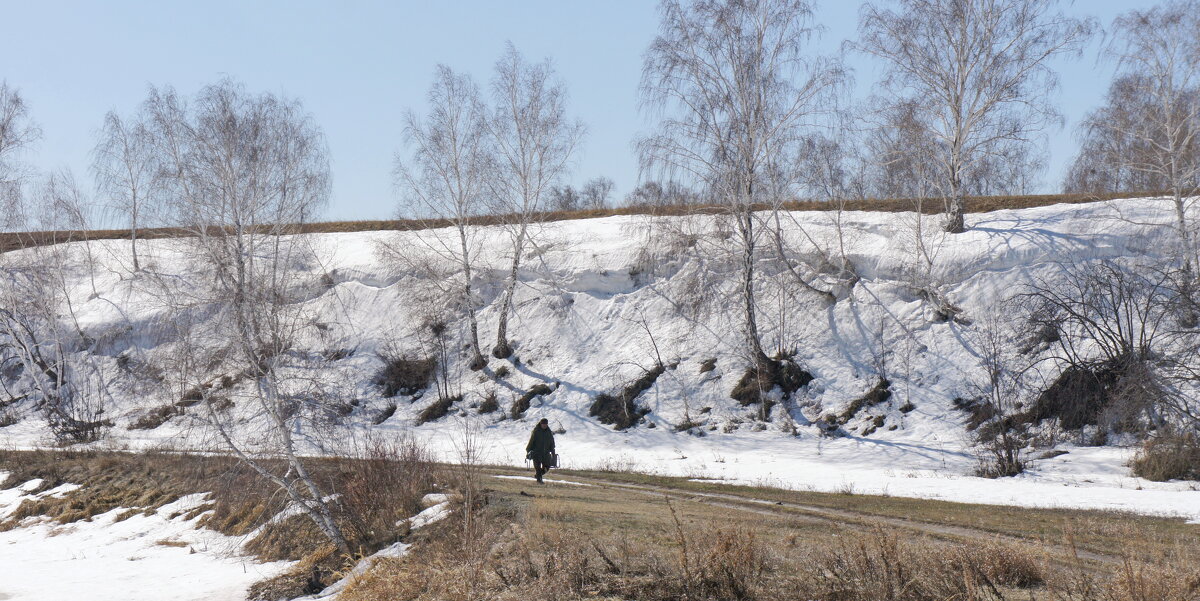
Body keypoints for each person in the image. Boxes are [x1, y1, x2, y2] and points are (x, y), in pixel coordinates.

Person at [525, 418, 556, 484]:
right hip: (537, 452)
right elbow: (531, 441)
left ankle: (538, 476)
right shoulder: (536, 431)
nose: (544, 425)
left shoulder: (549, 432)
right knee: (538, 468)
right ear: (540, 424)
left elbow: (552, 442)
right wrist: (528, 450)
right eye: (543, 424)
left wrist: (553, 451)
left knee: (547, 467)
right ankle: (539, 480)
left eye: (545, 424)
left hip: (546, 453)